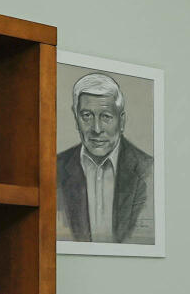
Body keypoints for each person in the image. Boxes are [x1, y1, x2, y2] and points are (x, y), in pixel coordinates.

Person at [57, 71, 155, 245]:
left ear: (122, 120)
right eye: (87, 116)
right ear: (76, 117)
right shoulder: (55, 169)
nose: (96, 128)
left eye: (106, 117)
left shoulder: (148, 170)